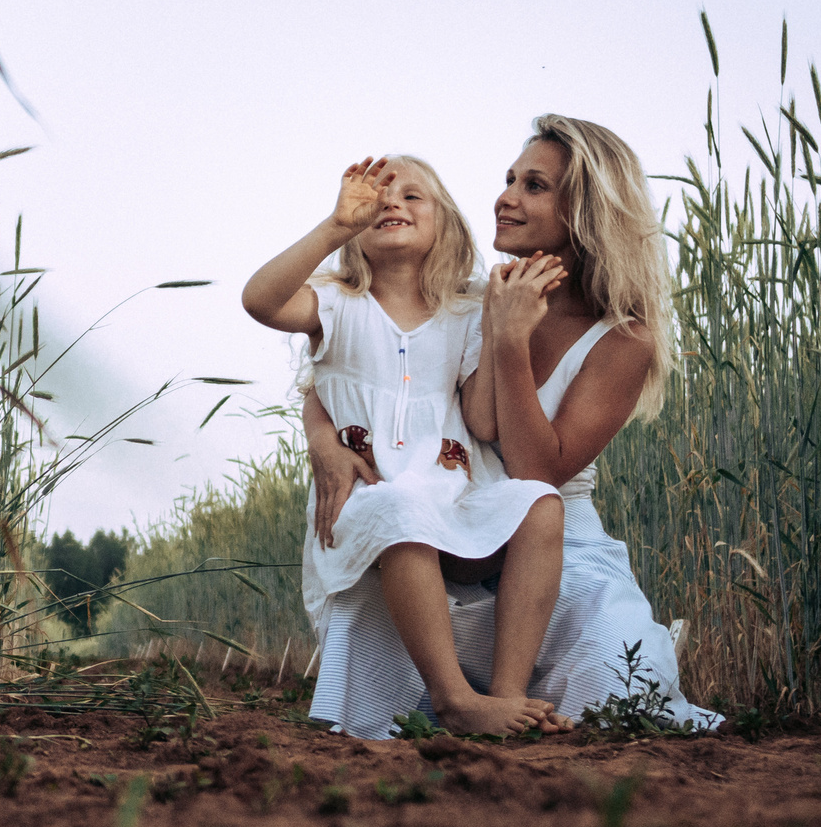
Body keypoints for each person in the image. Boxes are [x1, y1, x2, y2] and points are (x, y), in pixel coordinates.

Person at [302, 116, 722, 734]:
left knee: (620, 693)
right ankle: (467, 700)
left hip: (552, 544)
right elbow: (349, 367)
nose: (505, 198)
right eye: (508, 180)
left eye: (534, 186)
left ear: (585, 211)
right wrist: (323, 442)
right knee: (381, 627)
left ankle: (522, 687)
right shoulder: (466, 296)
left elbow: (537, 475)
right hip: (454, 527)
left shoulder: (623, 338)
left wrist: (509, 342)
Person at [243, 155, 568, 736]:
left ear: (445, 222)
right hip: (373, 504)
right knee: (401, 507)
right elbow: (259, 301)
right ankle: (453, 699)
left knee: (541, 503)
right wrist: (335, 225)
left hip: (453, 497)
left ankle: (507, 691)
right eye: (376, 199)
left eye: (413, 196)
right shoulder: (336, 304)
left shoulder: (466, 311)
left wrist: (502, 328)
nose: (391, 203)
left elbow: (483, 422)